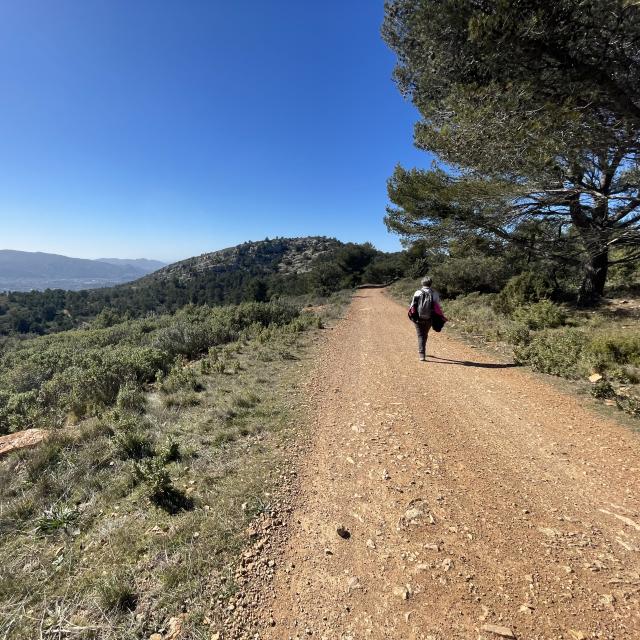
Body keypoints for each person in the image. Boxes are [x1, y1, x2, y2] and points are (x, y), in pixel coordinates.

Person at [410, 276, 441, 361]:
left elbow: (412, 305)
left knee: (420, 335)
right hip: (430, 318)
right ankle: (423, 349)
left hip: (418, 318)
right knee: (425, 334)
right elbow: (438, 306)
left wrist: (412, 316)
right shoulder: (435, 293)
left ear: (422, 283)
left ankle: (422, 354)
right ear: (431, 283)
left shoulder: (417, 292)